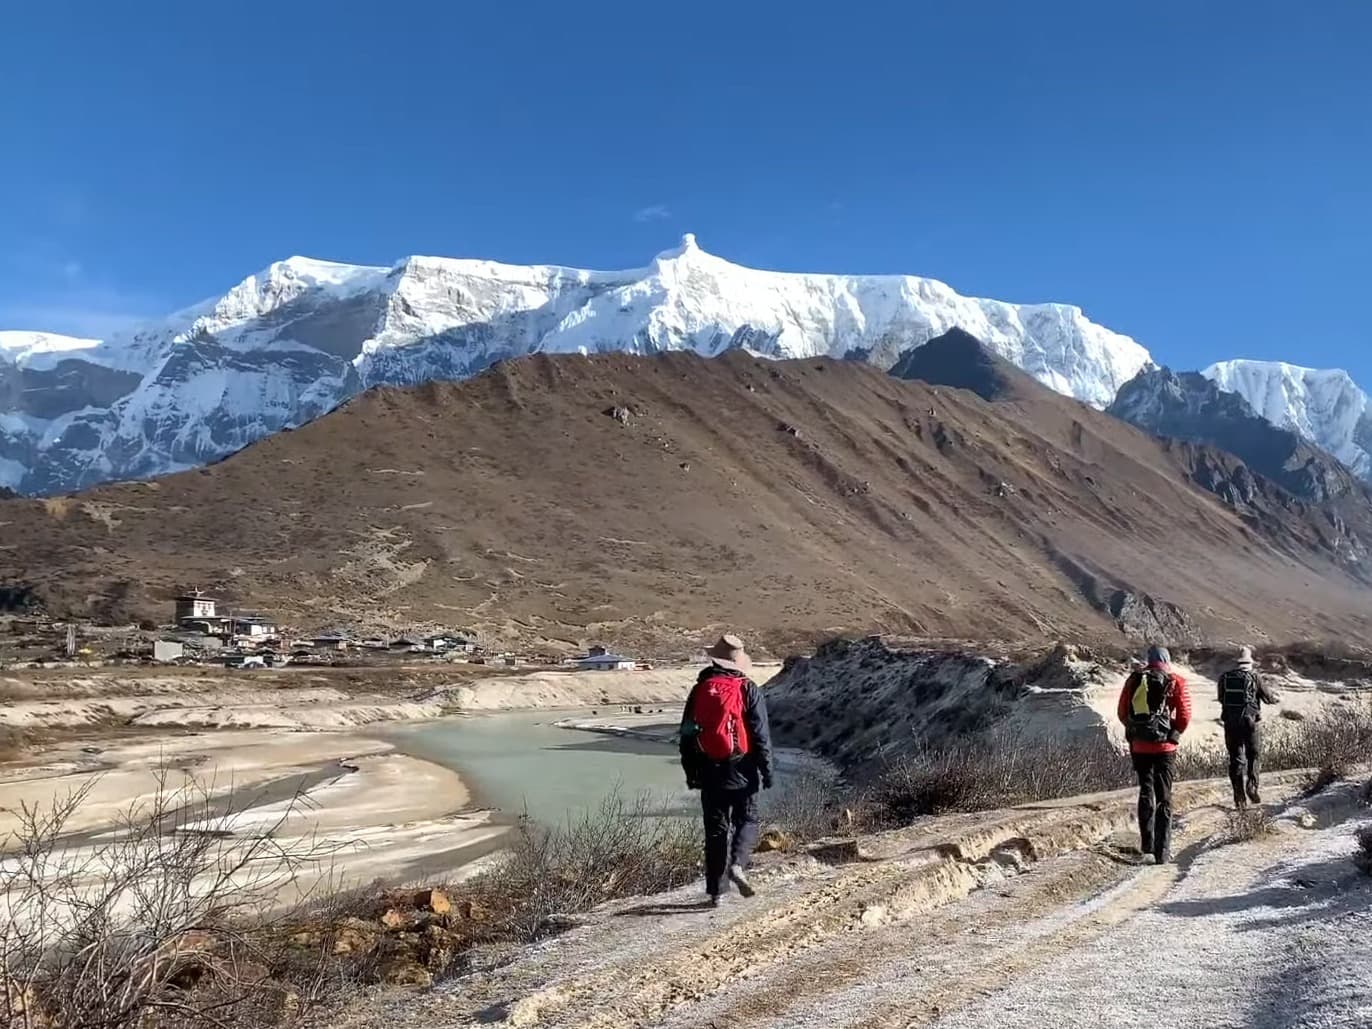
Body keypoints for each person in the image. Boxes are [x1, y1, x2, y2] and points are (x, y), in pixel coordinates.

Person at [680, 634, 773, 906]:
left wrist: (691, 772)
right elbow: (761, 735)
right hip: (742, 768)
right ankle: (738, 864)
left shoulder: (701, 689)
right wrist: (767, 771)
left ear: (715, 659)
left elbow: (686, 733)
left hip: (710, 770)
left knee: (716, 830)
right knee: (747, 819)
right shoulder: (748, 688)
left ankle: (716, 892)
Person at [1117, 645, 1192, 864]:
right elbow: (1185, 714)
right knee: (1164, 797)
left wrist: (1137, 731)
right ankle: (1163, 852)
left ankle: (1147, 845)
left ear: (1148, 660)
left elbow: (1122, 712)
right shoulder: (1176, 681)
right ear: (1167, 661)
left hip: (1139, 747)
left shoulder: (1134, 680)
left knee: (1146, 792)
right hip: (1165, 748)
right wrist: (1173, 733)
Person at [1217, 645, 1279, 809]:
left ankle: (1239, 798)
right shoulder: (1254, 677)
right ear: (1249, 662)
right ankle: (1252, 786)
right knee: (1254, 754)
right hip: (1250, 721)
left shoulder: (1225, 677)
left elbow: (1220, 698)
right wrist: (1275, 699)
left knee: (1236, 759)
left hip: (1230, 722)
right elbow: (1268, 698)